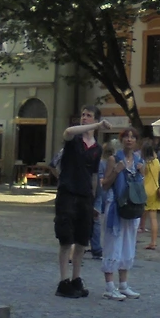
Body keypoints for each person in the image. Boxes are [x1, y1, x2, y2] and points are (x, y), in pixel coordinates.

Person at [55, 105, 108, 298]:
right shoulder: (74, 139)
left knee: (81, 240)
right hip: (68, 193)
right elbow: (68, 132)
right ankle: (63, 281)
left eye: (89, 116)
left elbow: (94, 175)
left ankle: (76, 278)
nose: (84, 118)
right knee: (65, 240)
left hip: (85, 196)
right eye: (83, 115)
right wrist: (94, 125)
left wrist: (94, 201)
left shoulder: (97, 148)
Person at [100, 128, 143, 300]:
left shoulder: (139, 160)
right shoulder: (113, 159)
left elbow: (141, 184)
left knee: (128, 244)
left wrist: (142, 172)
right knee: (113, 243)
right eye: (126, 136)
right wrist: (117, 170)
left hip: (132, 206)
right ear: (122, 140)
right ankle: (109, 286)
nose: (129, 140)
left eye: (133, 137)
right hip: (116, 206)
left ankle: (123, 284)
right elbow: (104, 184)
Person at [142, 139, 160, 251]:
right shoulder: (157, 162)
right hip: (155, 190)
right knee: (153, 218)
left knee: (137, 216)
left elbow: (142, 176)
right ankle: (153, 242)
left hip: (145, 190)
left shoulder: (144, 163)